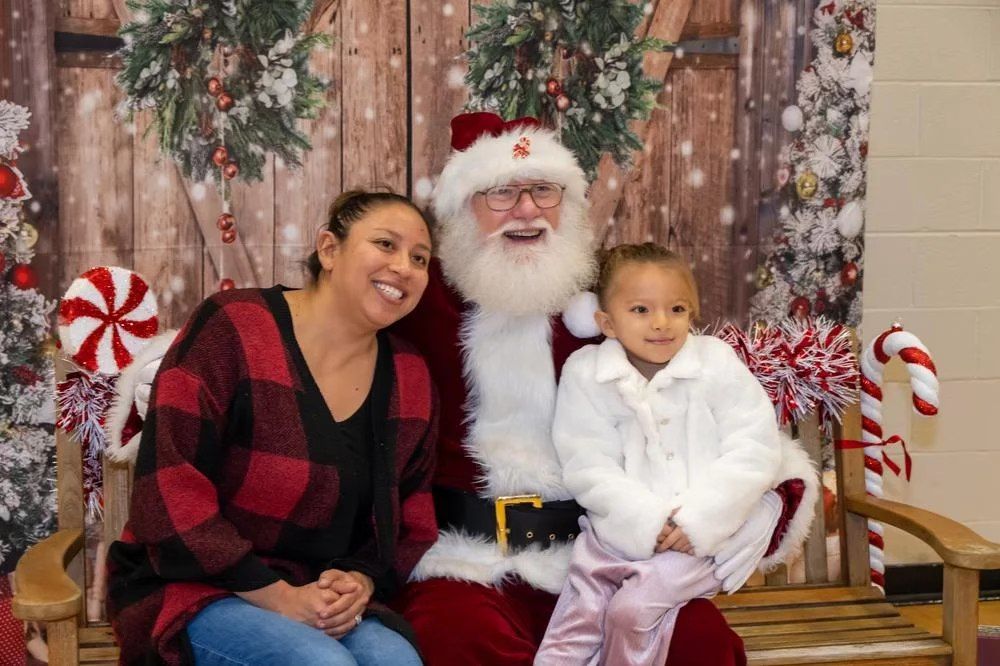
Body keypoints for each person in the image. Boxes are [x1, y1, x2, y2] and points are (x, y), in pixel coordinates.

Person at [389, 112, 819, 666]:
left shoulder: (616, 308)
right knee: (451, 638)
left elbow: (716, 408)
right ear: (461, 208)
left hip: (607, 554)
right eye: (500, 193)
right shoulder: (421, 308)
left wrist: (754, 508)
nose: (526, 210)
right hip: (463, 564)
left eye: (543, 190)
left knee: (698, 644)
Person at [105, 190, 439, 665]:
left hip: (318, 591)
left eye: (420, 258)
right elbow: (168, 489)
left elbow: (408, 515)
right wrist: (276, 596)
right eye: (386, 244)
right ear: (328, 249)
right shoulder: (232, 327)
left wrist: (359, 578)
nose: (404, 266)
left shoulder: (410, 374)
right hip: (197, 583)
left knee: (396, 661)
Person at [534, 243, 816, 665]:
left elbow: (754, 446)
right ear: (607, 323)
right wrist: (648, 521)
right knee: (573, 633)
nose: (662, 323)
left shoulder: (715, 363)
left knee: (633, 612)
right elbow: (588, 464)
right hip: (617, 535)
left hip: (703, 539)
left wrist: (698, 518)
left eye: (678, 309)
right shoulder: (586, 373)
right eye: (641, 310)